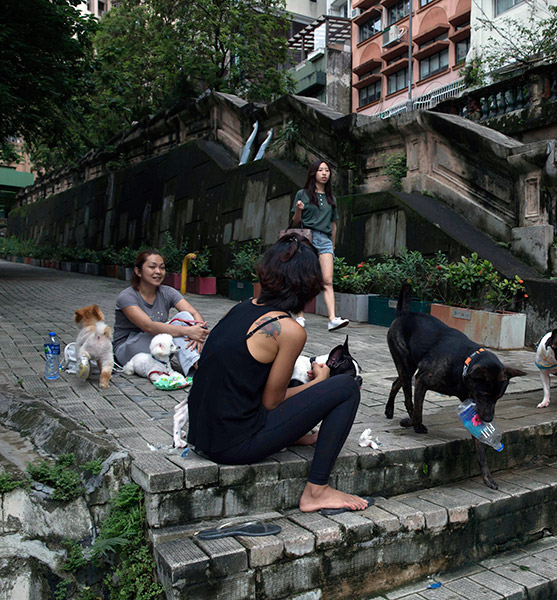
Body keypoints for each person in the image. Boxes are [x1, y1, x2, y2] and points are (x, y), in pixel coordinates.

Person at [187, 235, 369, 514]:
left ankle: (295, 438)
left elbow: (245, 385)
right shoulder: (288, 329)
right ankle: (316, 491)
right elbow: (272, 402)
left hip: (202, 435)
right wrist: (321, 381)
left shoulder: (242, 307)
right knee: (345, 386)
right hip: (232, 445)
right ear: (308, 286)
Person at [113, 250, 208, 375]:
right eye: (152, 267)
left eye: (162, 268)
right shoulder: (127, 297)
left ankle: (197, 365)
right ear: (138, 271)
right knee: (180, 327)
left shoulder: (167, 292)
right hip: (129, 350)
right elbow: (149, 326)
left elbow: (193, 313)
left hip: (160, 348)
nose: (158, 271)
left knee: (185, 317)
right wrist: (189, 331)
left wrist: (198, 331)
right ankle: (200, 367)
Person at [290, 160, 349, 332]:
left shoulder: (332, 199)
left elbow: (333, 224)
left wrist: (333, 245)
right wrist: (299, 209)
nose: (324, 173)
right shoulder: (302, 194)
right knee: (302, 278)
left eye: (327, 170)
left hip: (324, 240)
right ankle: (299, 315)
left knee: (328, 280)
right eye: (320, 170)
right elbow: (295, 221)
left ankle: (332, 319)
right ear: (313, 173)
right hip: (306, 237)